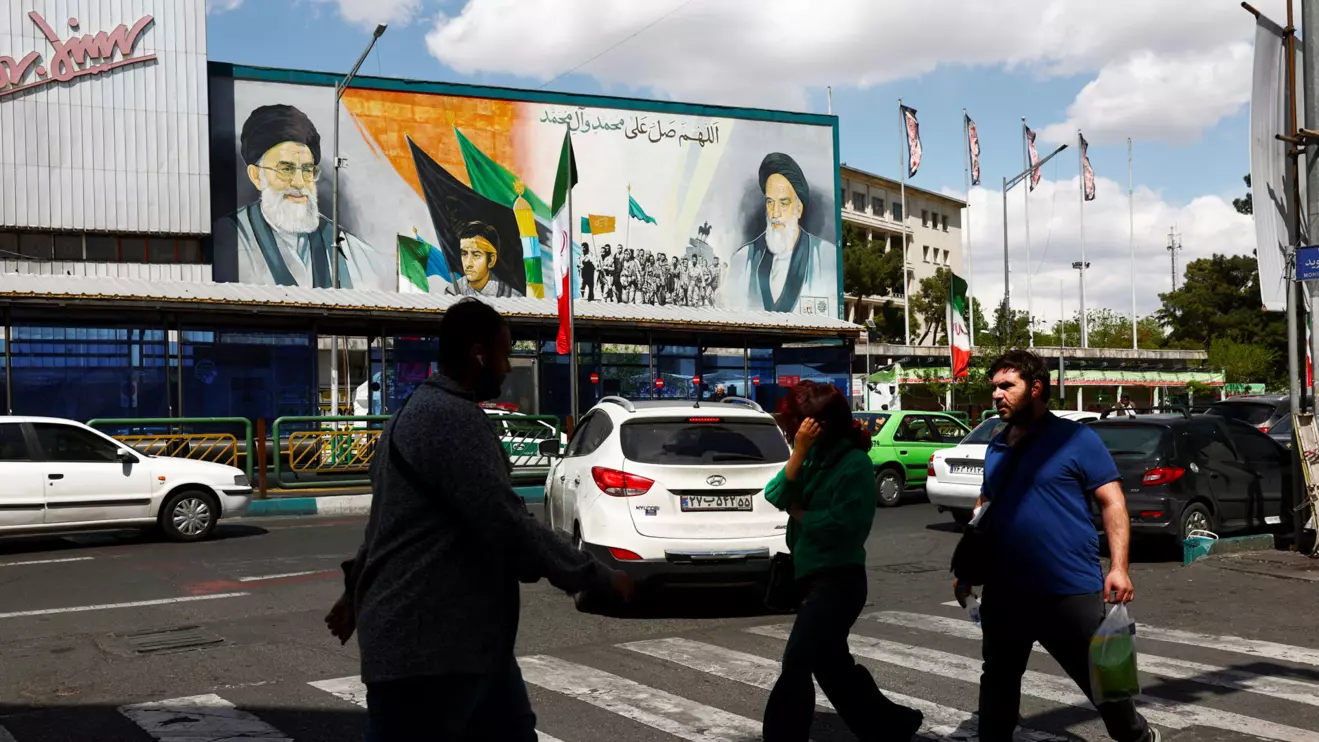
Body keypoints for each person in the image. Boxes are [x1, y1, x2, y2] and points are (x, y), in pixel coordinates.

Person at [324, 298, 635, 741]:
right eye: (505, 353)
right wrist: (596, 576)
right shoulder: (453, 421)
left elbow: (384, 525)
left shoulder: (409, 415)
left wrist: (356, 592)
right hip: (431, 647)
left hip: (466, 644)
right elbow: (507, 525)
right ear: (479, 355)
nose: (508, 368)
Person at [956, 349, 1154, 742]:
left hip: (1068, 586)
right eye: (994, 387)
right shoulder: (997, 445)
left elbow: (1113, 502)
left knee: (1100, 679)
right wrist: (966, 569)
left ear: (1035, 388)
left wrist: (1119, 567)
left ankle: (1136, 736)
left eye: (1007, 386)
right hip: (1006, 589)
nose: (997, 394)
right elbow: (985, 507)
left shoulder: (1077, 439)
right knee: (997, 679)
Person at [763, 381, 924, 741]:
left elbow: (844, 527)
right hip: (809, 577)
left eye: (799, 425)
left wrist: (801, 513)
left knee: (797, 662)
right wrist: (799, 452)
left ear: (819, 424)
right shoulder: (812, 456)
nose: (793, 430)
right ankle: (890, 724)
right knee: (832, 666)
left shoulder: (854, 465)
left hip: (838, 582)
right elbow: (775, 494)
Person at [215, 104, 382, 289]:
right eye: (286, 169)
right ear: (256, 176)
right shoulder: (228, 238)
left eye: (307, 170)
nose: (299, 182)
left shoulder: (351, 250)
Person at [727, 152, 838, 315]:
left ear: (799, 208)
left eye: (784, 203)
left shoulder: (826, 256)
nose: (775, 213)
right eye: (770, 202)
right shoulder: (743, 260)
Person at [444, 221, 517, 297]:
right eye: (464, 254)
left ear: (491, 260)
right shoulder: (452, 292)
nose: (468, 263)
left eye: (476, 255)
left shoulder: (511, 297)